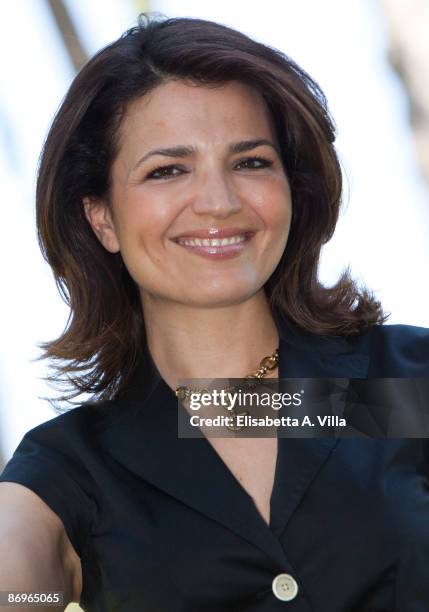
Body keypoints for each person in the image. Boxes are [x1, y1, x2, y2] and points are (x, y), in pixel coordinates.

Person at [0, 14, 428, 612]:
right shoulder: (74, 470)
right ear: (101, 217)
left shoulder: (401, 384)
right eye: (167, 170)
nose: (219, 202)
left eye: (250, 162)